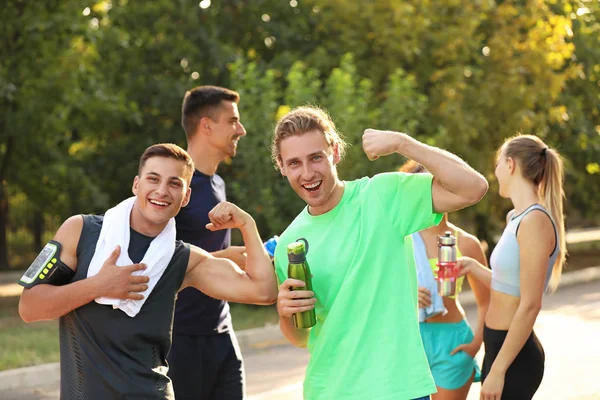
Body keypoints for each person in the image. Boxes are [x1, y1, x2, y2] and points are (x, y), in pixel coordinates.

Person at [18, 143, 277, 399]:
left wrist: (247, 224)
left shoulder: (184, 259)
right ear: (136, 184)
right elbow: (29, 307)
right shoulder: (80, 231)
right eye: (153, 179)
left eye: (174, 183)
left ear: (185, 196)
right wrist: (98, 285)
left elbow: (263, 291)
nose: (162, 191)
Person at [271, 106, 489, 400]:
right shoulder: (289, 244)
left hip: (398, 389)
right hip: (328, 391)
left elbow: (473, 188)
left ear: (335, 152)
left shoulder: (382, 196)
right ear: (282, 167)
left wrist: (403, 144)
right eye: (294, 163)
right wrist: (285, 314)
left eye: (316, 157)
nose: (308, 173)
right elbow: (301, 337)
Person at [455, 135, 566, 400]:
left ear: (510, 164)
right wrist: (472, 265)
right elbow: (509, 284)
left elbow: (530, 304)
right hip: (496, 345)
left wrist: (498, 370)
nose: (495, 173)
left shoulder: (535, 221)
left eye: (497, 165)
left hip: (514, 356)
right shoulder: (515, 217)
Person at [168, 85, 248, 400]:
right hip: (181, 338)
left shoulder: (218, 183)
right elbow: (152, 257)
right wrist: (219, 260)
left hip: (222, 332)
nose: (240, 129)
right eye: (233, 121)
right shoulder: (173, 186)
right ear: (206, 126)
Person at [400, 160, 490, 400]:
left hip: (452, 342)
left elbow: (486, 302)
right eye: (426, 186)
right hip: (409, 342)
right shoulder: (401, 240)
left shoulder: (466, 243)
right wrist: (406, 295)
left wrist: (475, 344)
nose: (434, 193)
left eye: (441, 185)